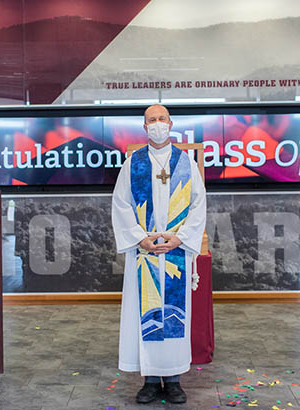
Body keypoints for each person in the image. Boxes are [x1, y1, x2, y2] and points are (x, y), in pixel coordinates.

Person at [111, 104, 207, 404]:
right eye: (151, 120)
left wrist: (180, 238)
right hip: (145, 253)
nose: (157, 124)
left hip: (176, 252)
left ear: (171, 123)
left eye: (161, 119)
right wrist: (141, 239)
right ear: (144, 127)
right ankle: (151, 381)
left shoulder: (186, 162)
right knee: (148, 315)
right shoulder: (133, 163)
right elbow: (121, 204)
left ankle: (175, 380)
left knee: (174, 316)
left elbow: (198, 204)